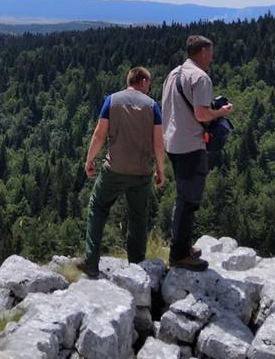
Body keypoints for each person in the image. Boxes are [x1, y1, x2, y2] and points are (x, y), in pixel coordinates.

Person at [78, 66, 166, 279]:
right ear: (143, 82)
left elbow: (99, 135)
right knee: (138, 217)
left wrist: (90, 160)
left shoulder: (112, 101)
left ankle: (91, 261)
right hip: (141, 172)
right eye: (149, 83)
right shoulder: (152, 106)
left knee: (98, 207)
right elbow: (158, 143)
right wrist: (160, 170)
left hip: (114, 169)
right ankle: (136, 267)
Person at [161, 35, 234, 270]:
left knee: (184, 197)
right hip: (190, 145)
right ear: (202, 51)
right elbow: (201, 115)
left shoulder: (174, 73)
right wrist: (221, 113)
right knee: (189, 200)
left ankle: (182, 246)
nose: (212, 58)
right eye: (210, 53)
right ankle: (179, 254)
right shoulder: (201, 78)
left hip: (172, 141)